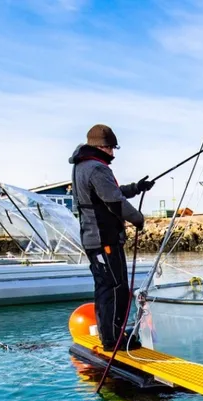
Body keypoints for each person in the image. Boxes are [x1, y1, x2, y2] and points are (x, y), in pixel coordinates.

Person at [69, 123, 152, 351]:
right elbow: (115, 202)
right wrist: (138, 219)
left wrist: (136, 187)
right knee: (116, 288)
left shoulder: (82, 165)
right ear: (101, 147)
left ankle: (109, 334)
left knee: (105, 287)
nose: (113, 153)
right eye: (111, 148)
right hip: (104, 238)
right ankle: (113, 340)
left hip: (93, 238)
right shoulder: (97, 168)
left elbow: (109, 192)